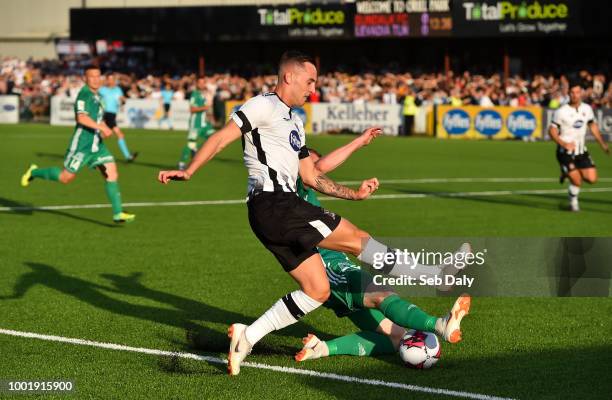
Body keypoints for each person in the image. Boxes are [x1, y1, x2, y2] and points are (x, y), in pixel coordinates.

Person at [157, 51, 468, 376]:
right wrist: (190, 170)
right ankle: (436, 278)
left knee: (317, 290)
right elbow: (222, 137)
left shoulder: (294, 121)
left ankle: (247, 337)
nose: (313, 88)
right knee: (359, 241)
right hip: (276, 204)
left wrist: (354, 195)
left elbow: (312, 176)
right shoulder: (262, 105)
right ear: (289, 76)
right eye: (310, 81)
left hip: (271, 213)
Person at [293, 143, 471, 362]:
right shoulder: (291, 190)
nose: (316, 167)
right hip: (331, 270)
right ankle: (439, 322)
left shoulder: (306, 190)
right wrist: (359, 141)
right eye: (311, 162)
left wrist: (360, 142)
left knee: (396, 337)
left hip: (334, 271)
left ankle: (321, 349)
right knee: (382, 294)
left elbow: (321, 169)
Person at [21, 65, 135, 224]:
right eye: (92, 76)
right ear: (85, 79)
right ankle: (34, 172)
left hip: (97, 146)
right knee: (65, 178)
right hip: (82, 145)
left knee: (111, 173)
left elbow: (97, 117)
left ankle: (118, 213)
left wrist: (104, 127)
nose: (96, 79)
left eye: (98, 76)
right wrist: (101, 127)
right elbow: (81, 118)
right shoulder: (84, 95)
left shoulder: (98, 97)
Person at [549, 82, 609, 212]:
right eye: (572, 92)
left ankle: (567, 172)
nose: (575, 95)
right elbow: (552, 131)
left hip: (581, 151)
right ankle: (573, 203)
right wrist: (564, 143)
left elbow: (592, 125)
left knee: (592, 179)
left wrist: (602, 144)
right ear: (568, 93)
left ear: (581, 93)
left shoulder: (587, 109)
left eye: (577, 92)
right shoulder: (561, 111)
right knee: (577, 181)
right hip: (564, 152)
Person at [98, 74, 138, 162]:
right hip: (106, 114)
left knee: (104, 135)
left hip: (112, 114)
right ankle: (128, 156)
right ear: (107, 80)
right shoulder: (102, 89)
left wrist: (123, 100)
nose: (111, 81)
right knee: (119, 134)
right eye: (109, 79)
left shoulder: (117, 89)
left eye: (113, 79)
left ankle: (89, 148)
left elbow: (121, 98)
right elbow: (95, 97)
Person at [178, 77, 214, 171]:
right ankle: (181, 163)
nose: (202, 84)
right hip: (195, 124)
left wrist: (208, 115)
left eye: (203, 83)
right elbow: (192, 109)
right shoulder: (195, 94)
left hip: (203, 123)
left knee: (213, 137)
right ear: (197, 84)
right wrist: (205, 107)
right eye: (200, 83)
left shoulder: (203, 94)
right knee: (190, 143)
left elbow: (205, 108)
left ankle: (196, 149)